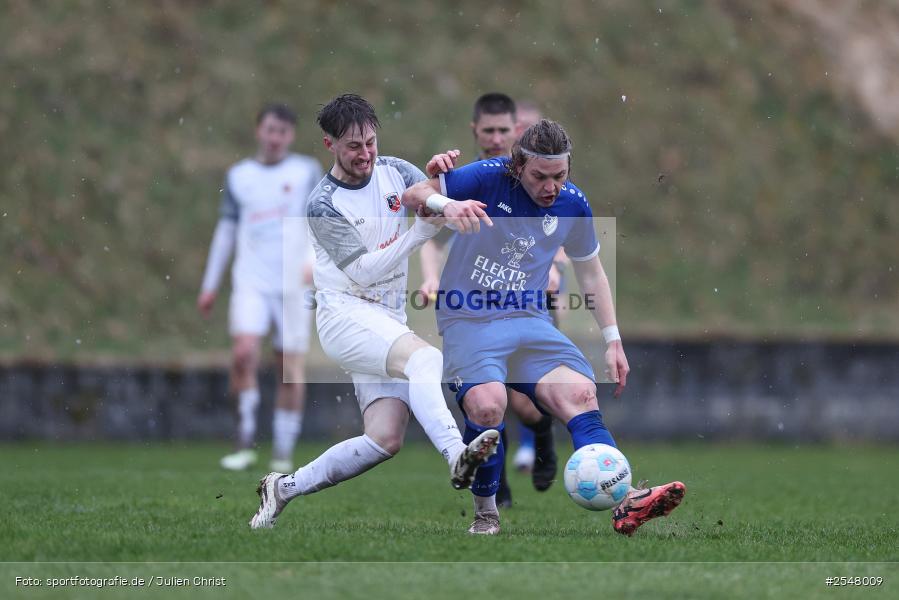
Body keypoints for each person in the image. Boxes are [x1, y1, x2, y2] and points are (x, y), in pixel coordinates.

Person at [403, 118, 686, 535]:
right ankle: (486, 515)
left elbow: (591, 274)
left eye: (560, 175)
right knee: (488, 406)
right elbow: (413, 194)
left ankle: (626, 501)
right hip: (469, 319)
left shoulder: (573, 204)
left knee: (581, 393)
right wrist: (447, 204)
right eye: (540, 176)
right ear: (517, 167)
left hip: (529, 320)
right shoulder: (487, 177)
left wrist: (613, 339)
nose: (551, 187)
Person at [249, 94, 499, 529]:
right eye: (353, 146)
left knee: (384, 438)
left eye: (370, 142)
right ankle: (455, 455)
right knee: (426, 360)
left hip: (386, 320)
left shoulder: (395, 170)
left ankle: (283, 488)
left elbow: (426, 196)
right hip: (344, 316)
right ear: (329, 145)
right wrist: (420, 232)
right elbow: (363, 271)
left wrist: (443, 185)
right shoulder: (323, 204)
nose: (365, 154)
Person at [419, 93, 557, 509]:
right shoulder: (469, 179)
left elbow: (561, 230)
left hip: (525, 299)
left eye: (504, 131)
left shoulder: (536, 177)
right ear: (475, 132)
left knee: (527, 405)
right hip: (475, 307)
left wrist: (555, 268)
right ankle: (498, 486)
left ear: (518, 131)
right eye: (489, 131)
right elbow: (432, 234)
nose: (497, 139)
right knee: (487, 396)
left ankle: (543, 435)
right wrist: (430, 277)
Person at [198, 103, 322, 473]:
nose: (275, 138)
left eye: (282, 132)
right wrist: (209, 285)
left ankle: (282, 452)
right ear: (258, 131)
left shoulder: (305, 171)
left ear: (291, 136)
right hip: (251, 280)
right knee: (243, 354)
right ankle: (244, 441)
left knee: (288, 366)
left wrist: (312, 261)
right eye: (270, 130)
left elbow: (320, 220)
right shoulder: (240, 176)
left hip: (293, 283)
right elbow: (226, 230)